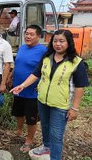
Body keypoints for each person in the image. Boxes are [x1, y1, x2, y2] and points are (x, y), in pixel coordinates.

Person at [10, 29, 89, 159]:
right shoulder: (47, 58)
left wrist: (74, 108)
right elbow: (36, 74)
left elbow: (80, 86)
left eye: (61, 41)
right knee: (45, 127)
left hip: (60, 105)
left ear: (69, 43)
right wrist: (22, 86)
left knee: (56, 135)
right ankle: (46, 147)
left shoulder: (76, 62)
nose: (58, 44)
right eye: (55, 41)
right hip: (42, 101)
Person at [11, 25, 47, 153]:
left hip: (32, 92)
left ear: (38, 36)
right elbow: (17, 65)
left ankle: (29, 140)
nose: (28, 36)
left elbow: (46, 70)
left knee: (31, 118)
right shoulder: (21, 48)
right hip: (18, 89)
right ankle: (19, 131)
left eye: (32, 34)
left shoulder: (44, 51)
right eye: (26, 33)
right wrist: (11, 77)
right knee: (18, 113)